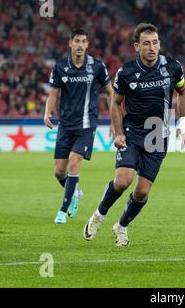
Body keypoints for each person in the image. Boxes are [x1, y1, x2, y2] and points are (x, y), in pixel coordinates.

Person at [83, 23, 185, 247]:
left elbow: (182, 91)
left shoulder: (172, 67)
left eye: (155, 42)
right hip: (132, 133)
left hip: (158, 136)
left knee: (141, 192)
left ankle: (121, 226)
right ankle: (99, 215)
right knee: (123, 181)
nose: (152, 47)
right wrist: (119, 132)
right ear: (136, 46)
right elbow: (115, 103)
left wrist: (183, 123)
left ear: (159, 44)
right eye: (146, 43)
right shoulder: (126, 72)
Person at [44, 28, 114, 224]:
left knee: (74, 163)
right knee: (59, 171)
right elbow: (54, 93)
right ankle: (75, 192)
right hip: (65, 126)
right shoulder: (60, 67)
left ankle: (62, 210)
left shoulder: (97, 67)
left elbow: (110, 93)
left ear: (87, 45)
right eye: (77, 41)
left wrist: (114, 120)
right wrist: (47, 111)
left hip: (86, 125)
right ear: (70, 43)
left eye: (84, 41)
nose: (81, 45)